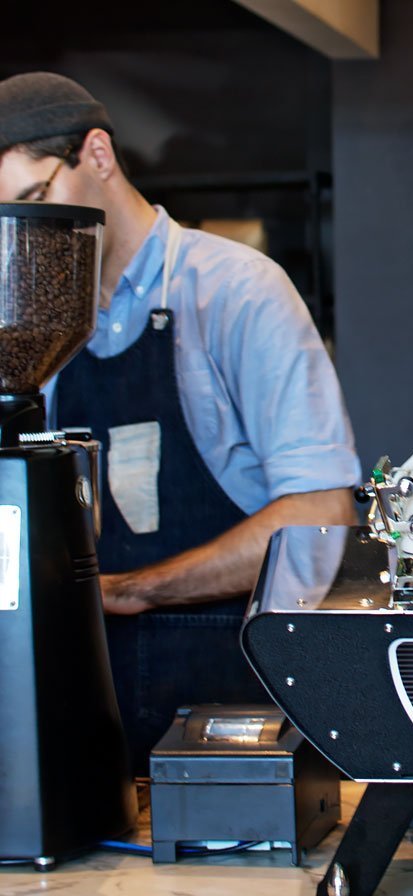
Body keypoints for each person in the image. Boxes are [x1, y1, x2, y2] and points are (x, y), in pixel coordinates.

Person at [0, 72, 360, 770]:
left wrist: (133, 589)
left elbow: (321, 513)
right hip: (89, 717)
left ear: (97, 155)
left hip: (232, 712)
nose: (29, 237)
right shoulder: (37, 326)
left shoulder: (233, 291)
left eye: (35, 201)